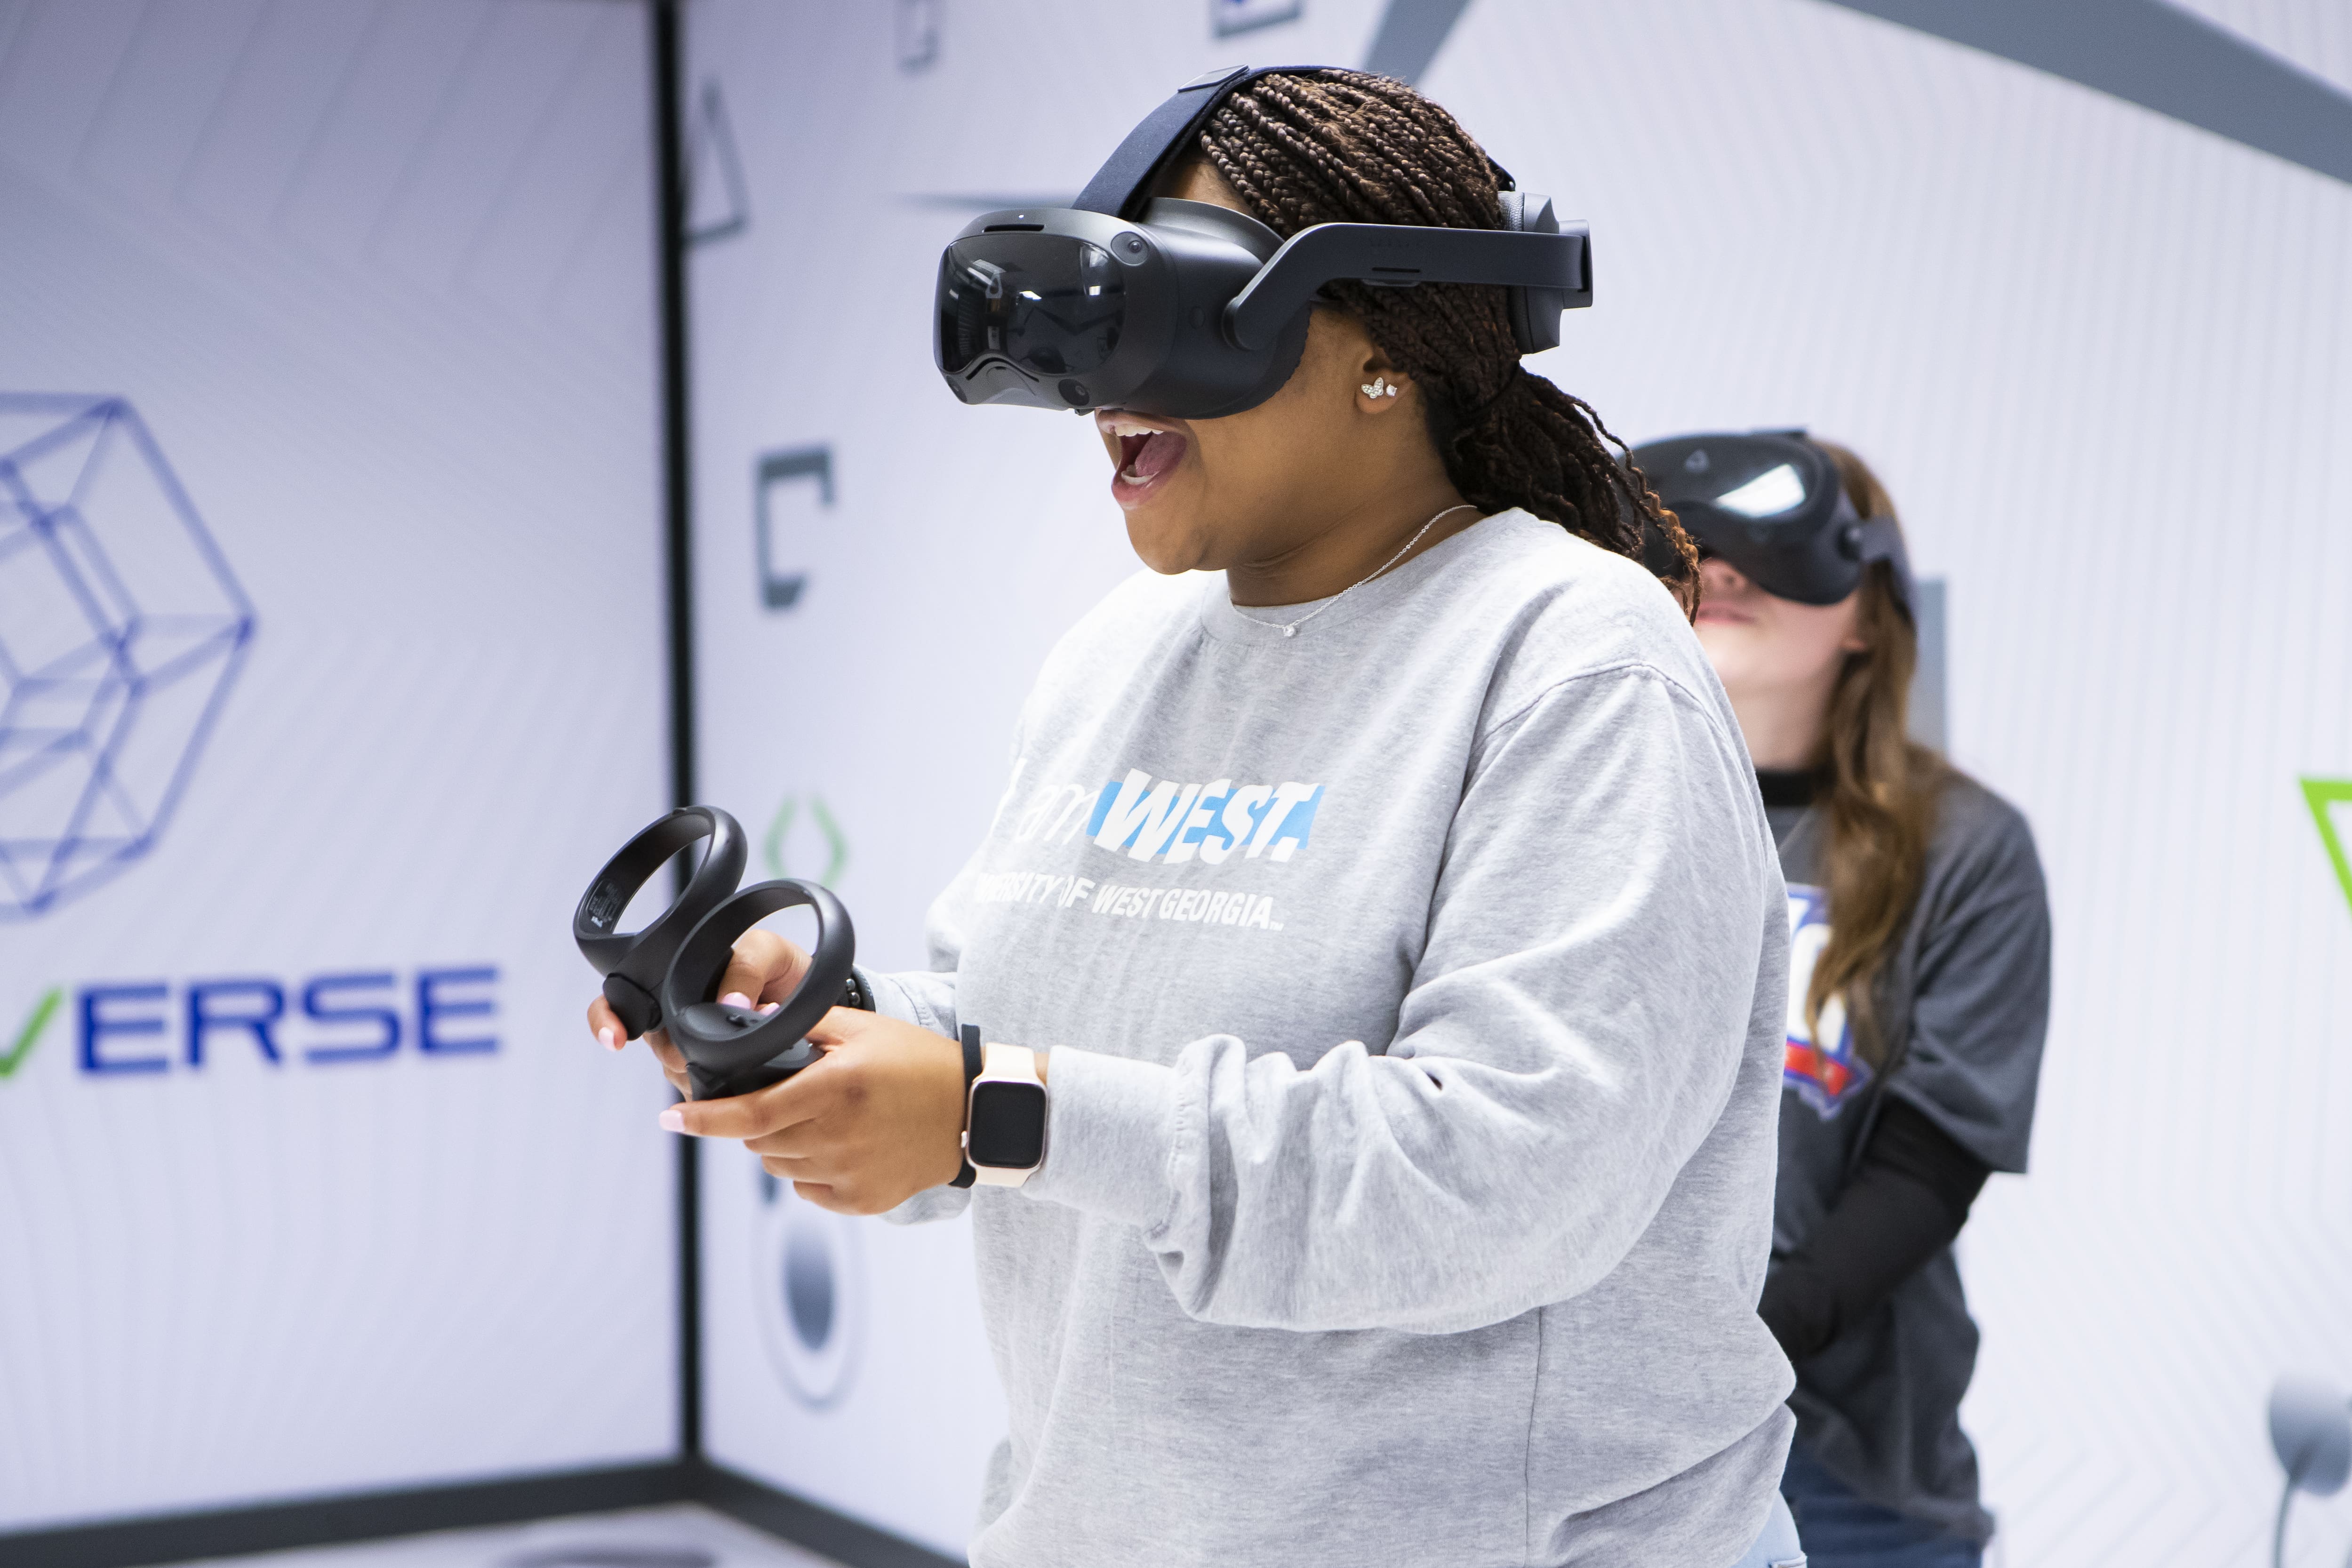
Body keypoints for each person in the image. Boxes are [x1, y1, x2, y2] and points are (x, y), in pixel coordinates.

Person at [596, 72, 1804, 1568]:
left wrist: (989, 1104)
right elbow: (1021, 1040)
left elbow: (1506, 1180)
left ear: (1381, 346)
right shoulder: (1121, 653)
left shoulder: (1572, 660)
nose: (1102, 382)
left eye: (1161, 304)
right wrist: (838, 1032)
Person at [1646, 432, 2051, 1568]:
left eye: (1771, 550)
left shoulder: (1965, 851)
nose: (1722, 569)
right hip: (1596, 1437)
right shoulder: (1591, 814)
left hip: (1849, 1458)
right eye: (1695, 548)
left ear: (1867, 613)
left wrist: (1730, 1344)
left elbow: (1933, 1157)